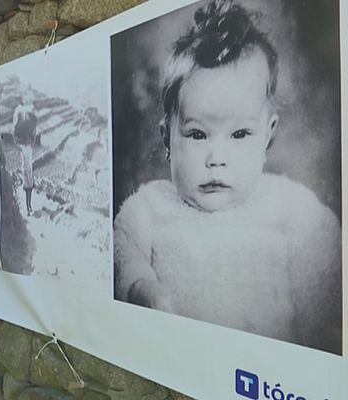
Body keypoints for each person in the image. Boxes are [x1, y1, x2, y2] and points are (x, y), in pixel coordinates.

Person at [113, 0, 341, 354]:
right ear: (166, 138)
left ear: (269, 135)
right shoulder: (150, 207)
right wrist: (143, 288)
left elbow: (327, 286)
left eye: (239, 135)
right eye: (198, 134)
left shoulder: (292, 209)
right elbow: (121, 252)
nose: (216, 159)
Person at [13, 90, 38, 216]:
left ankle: (29, 206)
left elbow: (33, 132)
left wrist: (30, 139)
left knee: (29, 179)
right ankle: (28, 207)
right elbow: (16, 132)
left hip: (26, 147)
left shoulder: (28, 113)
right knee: (27, 179)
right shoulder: (20, 112)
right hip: (24, 148)